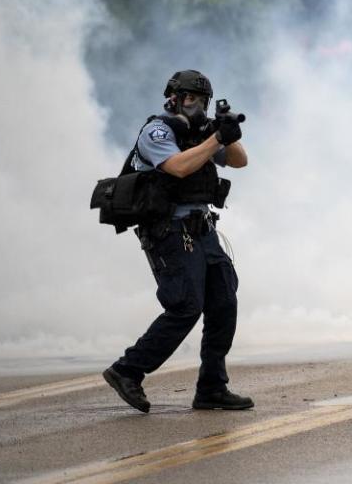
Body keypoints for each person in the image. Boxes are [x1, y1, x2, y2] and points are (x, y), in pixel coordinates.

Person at [102, 69, 253, 413]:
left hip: (201, 228)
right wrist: (215, 139)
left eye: (201, 100)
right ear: (174, 97)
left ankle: (212, 387)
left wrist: (227, 131)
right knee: (185, 305)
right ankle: (128, 370)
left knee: (224, 302)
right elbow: (178, 167)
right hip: (168, 230)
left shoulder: (201, 132)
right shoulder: (158, 130)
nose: (195, 105)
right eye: (190, 98)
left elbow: (240, 161)